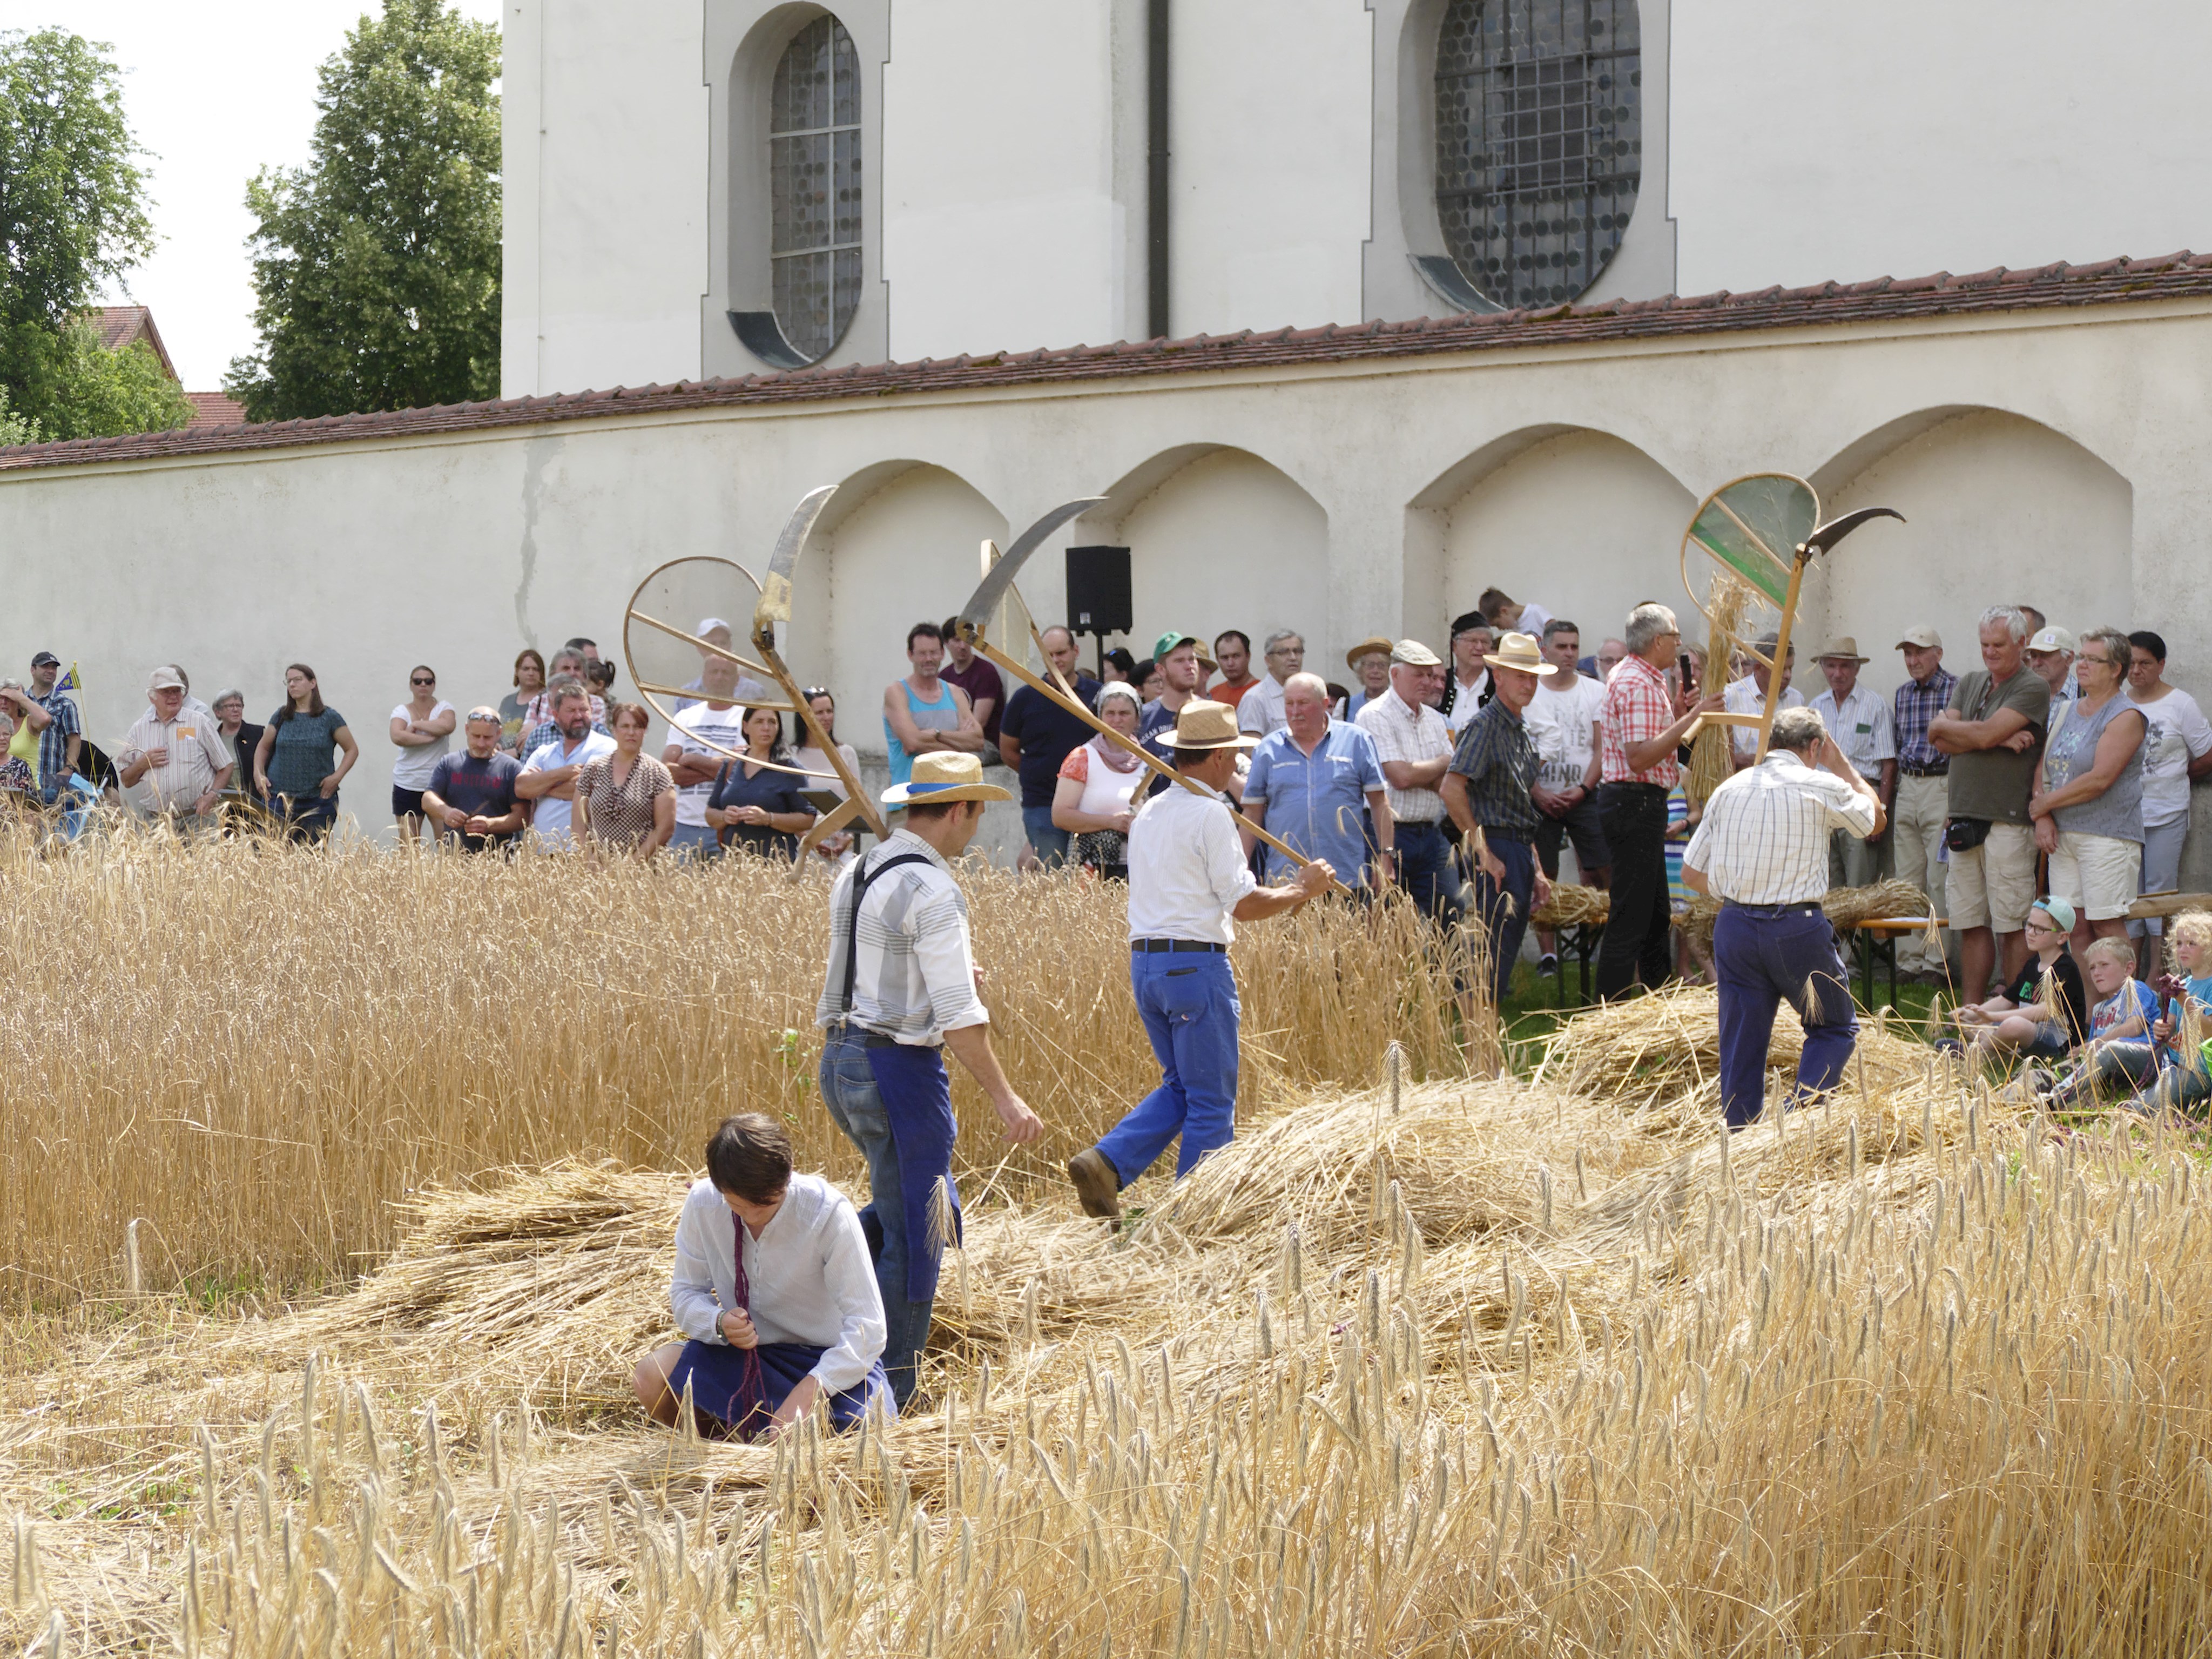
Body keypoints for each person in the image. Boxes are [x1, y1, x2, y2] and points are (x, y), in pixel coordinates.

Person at [815, 751, 1042, 1406]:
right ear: (960, 809)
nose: (974, 827)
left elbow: (871, 966)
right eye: (975, 813)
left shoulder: (858, 868)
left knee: (901, 1211)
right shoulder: (934, 888)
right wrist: (1006, 1098)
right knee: (920, 1238)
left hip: (841, 1060)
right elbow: (958, 1017)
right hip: (898, 1070)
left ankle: (813, 1284)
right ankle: (890, 1393)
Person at [1067, 703, 1334, 1225]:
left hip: (1147, 966)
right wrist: (1299, 890)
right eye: (1233, 755)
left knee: (1182, 1087)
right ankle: (1197, 1220)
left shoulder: (1150, 813)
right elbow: (1243, 905)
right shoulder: (1211, 814)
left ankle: (1107, 1162)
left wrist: (1293, 894)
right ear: (1214, 758)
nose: (1236, 764)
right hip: (1194, 967)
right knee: (1211, 1101)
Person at [1680, 705, 1883, 1129]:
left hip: (1734, 927)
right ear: (1815, 747)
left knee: (1741, 1043)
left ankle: (1737, 1140)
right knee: (1833, 1028)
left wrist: (1740, 892)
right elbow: (1875, 820)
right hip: (1795, 927)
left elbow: (1691, 873)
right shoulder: (1820, 783)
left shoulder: (1729, 790)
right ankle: (1793, 1125)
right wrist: (1841, 764)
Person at [633, 1112, 893, 1440]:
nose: (753, 1216)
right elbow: (686, 1293)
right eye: (738, 1206)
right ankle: (728, 1456)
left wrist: (811, 1391)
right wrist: (719, 1323)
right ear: (719, 1186)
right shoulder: (703, 1204)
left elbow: (868, 1327)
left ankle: (766, 1450)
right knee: (651, 1377)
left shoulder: (827, 1212)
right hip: (745, 1358)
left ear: (787, 1178)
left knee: (869, 1440)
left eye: (767, 1205)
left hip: (828, 1362)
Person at [1596, 604, 1724, 1000]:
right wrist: (1692, 718)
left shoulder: (1640, 678)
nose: (1678, 643)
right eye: (1674, 636)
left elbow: (1661, 749)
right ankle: (1610, 1014)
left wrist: (1683, 716)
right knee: (1631, 917)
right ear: (1657, 641)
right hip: (1634, 802)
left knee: (1654, 917)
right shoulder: (1637, 683)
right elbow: (1638, 756)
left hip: (1638, 802)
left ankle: (1657, 1004)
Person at [1928, 606, 2051, 999]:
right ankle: (1970, 1015)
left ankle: (2011, 1018)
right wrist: (1998, 737)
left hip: (2008, 820)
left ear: (2022, 642)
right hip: (1964, 816)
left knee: (2012, 926)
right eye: (1984, 644)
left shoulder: (2033, 686)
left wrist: (1982, 736)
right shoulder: (1971, 681)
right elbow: (1937, 736)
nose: (1990, 652)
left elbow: (1970, 736)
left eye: (1998, 644)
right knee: (1970, 923)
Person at [1442, 632, 1559, 1009]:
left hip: (1518, 844)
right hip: (1496, 845)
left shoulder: (1521, 729)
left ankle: (1483, 1042)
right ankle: (1479, 1046)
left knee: (1501, 951)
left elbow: (1521, 803)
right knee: (1489, 954)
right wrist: (1483, 852)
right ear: (1499, 676)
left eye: (1533, 677)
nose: (1529, 684)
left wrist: (1537, 869)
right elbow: (1451, 788)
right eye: (1520, 676)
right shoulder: (1486, 725)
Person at [2031, 626, 2145, 954]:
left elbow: (2100, 779)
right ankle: (2088, 1008)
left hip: (2107, 837)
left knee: (2106, 926)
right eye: (2081, 657)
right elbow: (2044, 767)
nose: (2082, 665)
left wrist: (2043, 805)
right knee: (2073, 927)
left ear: (2116, 670)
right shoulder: (2068, 710)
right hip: (2064, 836)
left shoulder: (2126, 715)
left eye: (2093, 660)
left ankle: (2126, 1006)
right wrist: (2045, 817)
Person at [1242, 671, 1391, 892]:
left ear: (1324, 704)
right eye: (1289, 704)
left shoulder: (1356, 741)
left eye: (1303, 703)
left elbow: (1379, 804)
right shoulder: (1267, 749)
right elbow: (1252, 814)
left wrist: (1385, 856)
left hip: (1346, 877)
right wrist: (1240, 867)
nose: (1295, 712)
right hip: (1287, 879)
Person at [1357, 641, 1465, 930]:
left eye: (1430, 675)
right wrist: (1443, 760)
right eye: (1418, 675)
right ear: (1395, 674)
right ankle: (1396, 977)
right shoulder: (1374, 714)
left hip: (1430, 833)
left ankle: (1442, 976)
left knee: (1454, 913)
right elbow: (1400, 777)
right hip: (1389, 834)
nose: (1428, 682)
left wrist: (1423, 771)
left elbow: (1445, 781)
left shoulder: (1435, 719)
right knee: (1388, 924)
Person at [1524, 619, 1609, 973]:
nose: (1570, 653)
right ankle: (1549, 955)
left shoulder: (1594, 691)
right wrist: (1538, 792)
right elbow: (1519, 750)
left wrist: (1583, 789)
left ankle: (1608, 944)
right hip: (1537, 796)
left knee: (1605, 866)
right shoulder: (1530, 690)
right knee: (1543, 874)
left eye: (1575, 646)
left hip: (1584, 794)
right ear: (1544, 649)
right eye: (1562, 647)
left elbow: (1602, 749)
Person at [2125, 630, 2212, 957]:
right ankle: (2128, 972)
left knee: (2161, 894)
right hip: (2125, 816)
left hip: (2167, 813)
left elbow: (2207, 753)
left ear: (2161, 665)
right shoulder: (2118, 702)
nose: (2137, 671)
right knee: (2128, 896)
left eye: (2145, 663)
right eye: (2131, 663)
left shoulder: (2181, 703)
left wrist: (2179, 774)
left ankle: (2159, 973)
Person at [997, 625, 1104, 866]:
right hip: (1042, 805)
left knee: (1093, 881)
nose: (1056, 660)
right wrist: (1037, 773)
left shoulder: (1098, 695)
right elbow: (1008, 751)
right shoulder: (1025, 698)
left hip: (1091, 803)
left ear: (1075, 651)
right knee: (1053, 882)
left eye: (1061, 653)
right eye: (1050, 655)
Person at [1889, 626, 1957, 981]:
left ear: (1938, 654)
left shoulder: (1955, 689)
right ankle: (1909, 960)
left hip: (1941, 784)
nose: (1913, 661)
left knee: (1939, 876)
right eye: (1907, 654)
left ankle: (1936, 962)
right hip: (1909, 784)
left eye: (1920, 653)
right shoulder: (1902, 694)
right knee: (1907, 878)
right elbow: (1901, 741)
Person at [1948, 896, 2087, 1062]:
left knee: (2014, 1025)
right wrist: (1974, 1013)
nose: (2030, 933)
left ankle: (1976, 1053)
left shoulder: (2066, 968)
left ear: (2062, 937)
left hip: (2056, 1044)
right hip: (2024, 1035)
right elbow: (2007, 998)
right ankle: (2001, 1054)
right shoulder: (2033, 963)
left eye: (2039, 929)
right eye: (2029, 925)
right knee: (1968, 1023)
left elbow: (2046, 1011)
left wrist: (1993, 1017)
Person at [1805, 638, 1896, 888]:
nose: (1838, 673)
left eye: (1845, 666)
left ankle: (1860, 931)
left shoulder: (1875, 705)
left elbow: (1889, 764)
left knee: (1860, 887)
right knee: (1827, 886)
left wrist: (1882, 813)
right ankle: (1834, 931)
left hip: (1861, 801)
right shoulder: (1815, 707)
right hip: (1823, 805)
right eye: (1831, 666)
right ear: (1823, 668)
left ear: (1856, 669)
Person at [118, 666, 235, 830]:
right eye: (166, 692)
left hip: (198, 820)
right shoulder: (139, 730)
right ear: (152, 697)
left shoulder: (199, 722)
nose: (173, 697)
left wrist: (212, 796)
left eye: (177, 691)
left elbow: (226, 766)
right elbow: (126, 780)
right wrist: (143, 763)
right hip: (157, 824)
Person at [1052, 681, 1146, 879]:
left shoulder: (1148, 763)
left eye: (1124, 714)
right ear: (1100, 717)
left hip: (1140, 865)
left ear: (1137, 719)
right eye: (1110, 713)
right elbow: (1060, 815)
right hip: (1092, 868)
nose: (1117, 720)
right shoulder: (1082, 757)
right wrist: (1111, 822)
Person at [662, 652, 751, 860]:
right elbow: (668, 771)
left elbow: (742, 770)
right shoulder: (684, 718)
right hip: (686, 826)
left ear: (737, 679)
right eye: (714, 672)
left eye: (726, 673)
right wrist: (723, 767)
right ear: (704, 677)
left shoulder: (747, 718)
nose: (720, 677)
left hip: (728, 825)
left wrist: (692, 760)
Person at [253, 664, 356, 842]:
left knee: (310, 860)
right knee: (270, 856)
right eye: (289, 681)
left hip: (317, 801)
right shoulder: (281, 716)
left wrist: (337, 777)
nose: (292, 685)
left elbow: (352, 750)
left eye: (298, 680)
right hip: (278, 799)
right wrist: (258, 774)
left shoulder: (329, 718)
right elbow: (263, 747)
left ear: (312, 683)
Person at [514, 679, 618, 849]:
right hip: (542, 856)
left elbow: (590, 790)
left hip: (584, 855)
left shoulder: (605, 746)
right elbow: (521, 788)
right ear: (556, 715)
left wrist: (542, 786)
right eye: (571, 711)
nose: (579, 716)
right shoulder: (544, 752)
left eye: (584, 710)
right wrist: (563, 773)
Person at [884, 621, 985, 789]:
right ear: (910, 655)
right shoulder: (897, 693)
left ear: (942, 653)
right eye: (922, 653)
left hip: (951, 796)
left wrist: (936, 734)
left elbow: (977, 741)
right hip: (909, 799)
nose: (929, 659)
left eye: (934, 652)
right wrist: (958, 747)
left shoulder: (955, 693)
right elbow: (912, 743)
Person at [707, 706, 817, 860]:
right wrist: (725, 816)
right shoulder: (732, 764)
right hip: (733, 866)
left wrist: (768, 818)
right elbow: (710, 813)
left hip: (775, 866)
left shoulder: (790, 769)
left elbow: (808, 819)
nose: (766, 728)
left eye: (772, 722)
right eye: (759, 722)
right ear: (746, 727)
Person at [576, 702, 677, 859]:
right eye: (625, 726)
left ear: (644, 731)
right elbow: (578, 824)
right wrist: (589, 860)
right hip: (596, 869)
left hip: (641, 870)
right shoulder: (593, 770)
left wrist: (632, 863)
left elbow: (665, 828)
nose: (631, 732)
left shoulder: (658, 773)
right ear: (614, 730)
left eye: (637, 727)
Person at [422, 708, 526, 851]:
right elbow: (428, 799)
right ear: (466, 729)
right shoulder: (449, 763)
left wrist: (490, 824)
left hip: (499, 858)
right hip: (454, 859)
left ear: (499, 733)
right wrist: (446, 812)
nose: (481, 743)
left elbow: (522, 816)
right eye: (476, 736)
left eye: (488, 737)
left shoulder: (511, 768)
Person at [388, 665, 456, 844]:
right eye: (418, 681)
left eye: (428, 681)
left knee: (446, 844)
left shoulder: (443, 707)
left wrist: (417, 725)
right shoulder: (401, 711)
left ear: (434, 685)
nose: (423, 685)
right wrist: (431, 739)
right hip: (407, 784)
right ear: (411, 685)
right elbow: (397, 736)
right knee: (409, 849)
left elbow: (448, 726)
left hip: (438, 785)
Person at [793, 687, 862, 862]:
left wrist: (849, 838)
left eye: (829, 711)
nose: (826, 717)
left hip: (841, 846)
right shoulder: (791, 755)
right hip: (802, 847)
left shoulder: (847, 753)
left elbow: (858, 803)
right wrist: (809, 839)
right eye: (819, 713)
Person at [1724, 636, 1803, 769]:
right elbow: (1717, 753)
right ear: (1758, 667)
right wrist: (1737, 760)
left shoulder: (1796, 699)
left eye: (1791, 668)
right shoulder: (1731, 695)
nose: (1788, 675)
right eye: (1782, 669)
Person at [938, 615, 1007, 758]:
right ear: (946, 643)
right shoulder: (944, 676)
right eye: (957, 640)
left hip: (985, 744)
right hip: (954, 741)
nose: (963, 646)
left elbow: (978, 724)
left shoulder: (986, 672)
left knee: (953, 760)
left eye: (967, 639)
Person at [1136, 631, 1205, 765]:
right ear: (1161, 669)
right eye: (1179, 661)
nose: (1189, 666)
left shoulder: (1213, 713)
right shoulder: (1142, 717)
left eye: (1192, 659)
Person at [26, 653, 79, 806]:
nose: (50, 671)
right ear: (33, 670)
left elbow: (74, 739)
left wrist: (68, 770)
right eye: (45, 667)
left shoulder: (64, 704)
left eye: (54, 668)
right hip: (23, 777)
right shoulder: (22, 702)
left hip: (51, 777)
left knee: (51, 824)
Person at [1235, 630, 1304, 739]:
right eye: (1283, 652)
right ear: (1268, 661)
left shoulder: (1307, 694)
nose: (1293, 657)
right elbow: (1251, 751)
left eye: (1297, 651)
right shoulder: (1255, 698)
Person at [1439, 613, 1493, 736]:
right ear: (1455, 646)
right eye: (1472, 641)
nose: (1479, 647)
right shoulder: (1440, 682)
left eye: (1485, 642)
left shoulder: (1498, 684)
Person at [0, 681, 51, 795]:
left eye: (9, 699)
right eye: (1, 698)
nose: (4, 703)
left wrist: (22, 698)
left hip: (27, 791)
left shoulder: (28, 723)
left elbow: (45, 719)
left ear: (18, 703)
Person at [499, 649, 546, 754]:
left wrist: (516, 753)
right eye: (526, 669)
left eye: (536, 669)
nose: (531, 673)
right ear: (517, 671)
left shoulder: (546, 701)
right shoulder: (507, 701)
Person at [1341, 636, 1392, 722]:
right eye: (1370, 665)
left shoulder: (1402, 705)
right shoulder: (1345, 706)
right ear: (1360, 671)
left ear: (1392, 671)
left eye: (1382, 665)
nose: (1375, 671)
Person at [2025, 625, 2078, 706]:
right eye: (2034, 656)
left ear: (2069, 659)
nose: (2037, 663)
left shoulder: (2088, 696)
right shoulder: (2022, 695)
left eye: (2045, 655)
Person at [1211, 631, 1257, 708]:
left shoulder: (1262, 694)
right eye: (1225, 658)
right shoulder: (1213, 696)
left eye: (1236, 656)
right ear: (1217, 659)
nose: (1230, 663)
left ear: (1248, 656)